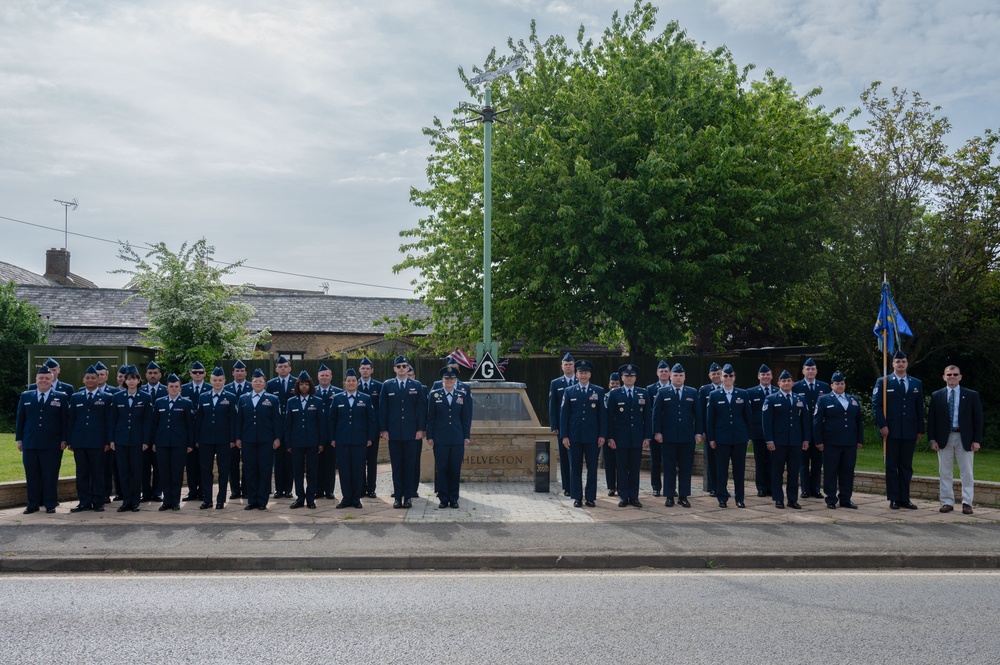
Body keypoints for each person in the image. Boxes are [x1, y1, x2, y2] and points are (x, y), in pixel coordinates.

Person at [872, 349, 924, 510]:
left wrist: (920, 430)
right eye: (897, 362)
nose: (900, 364)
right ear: (893, 364)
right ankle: (894, 498)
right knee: (891, 466)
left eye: (903, 361)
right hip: (891, 431)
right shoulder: (884, 381)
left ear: (907, 363)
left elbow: (919, 408)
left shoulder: (916, 383)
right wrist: (883, 425)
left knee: (906, 466)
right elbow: (876, 405)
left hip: (909, 430)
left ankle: (905, 498)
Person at [928, 365, 984, 515]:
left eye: (955, 374)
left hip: (964, 437)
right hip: (943, 438)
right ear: (944, 377)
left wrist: (976, 440)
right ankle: (947, 502)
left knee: (967, 472)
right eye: (949, 374)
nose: (952, 376)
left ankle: (967, 503)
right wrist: (932, 439)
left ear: (960, 377)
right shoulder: (936, 395)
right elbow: (932, 419)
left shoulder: (971, 395)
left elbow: (978, 419)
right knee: (945, 471)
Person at [15, 365, 68, 514]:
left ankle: (50, 504)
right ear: (36, 380)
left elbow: (65, 420)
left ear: (52, 380)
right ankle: (32, 504)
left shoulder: (61, 397)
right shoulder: (26, 396)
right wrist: (19, 440)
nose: (44, 381)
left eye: (47, 378)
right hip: (31, 442)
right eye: (41, 378)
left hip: (52, 443)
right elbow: (21, 419)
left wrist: (64, 439)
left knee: (50, 474)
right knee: (32, 474)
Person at [380, 355, 428, 509]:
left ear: (408, 369)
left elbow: (421, 409)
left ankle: (408, 497)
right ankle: (397, 496)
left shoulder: (417, 385)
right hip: (393, 433)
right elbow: (383, 409)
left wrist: (421, 429)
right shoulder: (387, 385)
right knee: (397, 466)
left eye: (404, 366)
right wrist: (384, 429)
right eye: (399, 366)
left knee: (409, 466)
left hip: (411, 433)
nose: (402, 368)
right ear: (394, 368)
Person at [651, 363, 700, 508]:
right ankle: (669, 495)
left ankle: (683, 496)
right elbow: (656, 414)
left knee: (685, 467)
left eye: (681, 375)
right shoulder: (663, 392)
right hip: (668, 437)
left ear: (684, 377)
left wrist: (698, 432)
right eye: (676, 375)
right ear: (670, 376)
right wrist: (657, 432)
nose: (678, 378)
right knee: (669, 467)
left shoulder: (692, 392)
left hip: (687, 437)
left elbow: (698, 414)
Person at [559, 359, 606, 508]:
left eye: (586, 373)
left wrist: (602, 435)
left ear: (590, 374)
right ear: (577, 374)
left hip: (593, 437)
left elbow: (602, 415)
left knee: (592, 468)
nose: (583, 375)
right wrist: (564, 436)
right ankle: (577, 497)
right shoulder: (569, 391)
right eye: (581, 373)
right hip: (574, 437)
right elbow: (564, 415)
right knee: (575, 468)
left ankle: (590, 497)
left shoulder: (598, 391)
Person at [813, 371, 864, 509]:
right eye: (837, 384)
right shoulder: (824, 399)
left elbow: (858, 421)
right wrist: (818, 441)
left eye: (842, 383)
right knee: (831, 471)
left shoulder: (853, 399)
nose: (840, 386)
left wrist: (859, 439)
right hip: (831, 442)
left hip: (849, 442)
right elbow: (817, 422)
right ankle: (831, 499)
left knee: (847, 470)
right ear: (831, 385)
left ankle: (846, 499)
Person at [329, 368, 377, 509]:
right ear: (344, 383)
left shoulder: (365, 398)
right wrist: (332, 438)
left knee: (358, 469)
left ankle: (356, 499)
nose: (351, 383)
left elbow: (371, 420)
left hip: (359, 440)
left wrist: (369, 438)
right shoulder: (337, 398)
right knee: (344, 470)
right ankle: (346, 498)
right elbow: (332, 419)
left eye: (353, 381)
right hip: (342, 440)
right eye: (348, 381)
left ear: (358, 383)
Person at [427, 365, 473, 509]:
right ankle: (443, 498)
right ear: (442, 379)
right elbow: (431, 418)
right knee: (442, 468)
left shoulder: (461, 395)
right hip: (440, 438)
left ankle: (453, 498)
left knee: (454, 469)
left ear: (455, 380)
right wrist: (430, 436)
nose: (449, 380)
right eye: (447, 378)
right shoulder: (435, 395)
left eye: (452, 378)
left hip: (457, 438)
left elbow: (465, 417)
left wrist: (466, 435)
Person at [67, 365, 112, 513]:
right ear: (83, 380)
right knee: (82, 473)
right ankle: (84, 501)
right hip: (79, 441)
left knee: (98, 473)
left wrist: (107, 441)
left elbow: (108, 421)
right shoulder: (75, 397)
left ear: (98, 379)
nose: (91, 380)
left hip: (98, 442)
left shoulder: (106, 397)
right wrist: (70, 440)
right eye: (88, 378)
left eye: (94, 377)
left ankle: (98, 501)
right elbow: (71, 420)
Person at [236, 368, 282, 511]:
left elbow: (277, 420)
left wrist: (277, 437)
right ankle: (252, 499)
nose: (257, 383)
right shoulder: (243, 398)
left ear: (265, 383)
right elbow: (239, 420)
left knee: (265, 469)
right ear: (251, 383)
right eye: (255, 381)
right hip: (248, 439)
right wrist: (238, 437)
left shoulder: (273, 399)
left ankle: (262, 500)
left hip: (266, 440)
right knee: (249, 469)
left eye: (260, 381)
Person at [763, 370, 810, 509]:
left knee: (794, 472)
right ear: (778, 383)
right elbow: (767, 422)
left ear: (793, 383)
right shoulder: (771, 399)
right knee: (777, 471)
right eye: (783, 381)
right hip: (778, 442)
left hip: (795, 441)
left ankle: (792, 499)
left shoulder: (800, 399)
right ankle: (778, 498)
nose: (786, 383)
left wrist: (806, 439)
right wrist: (769, 440)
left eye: (789, 381)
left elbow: (805, 421)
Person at [706, 364, 751, 508]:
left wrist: (748, 436)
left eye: (731, 376)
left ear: (734, 377)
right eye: (725, 376)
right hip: (721, 438)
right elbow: (710, 419)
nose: (728, 378)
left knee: (739, 470)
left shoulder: (743, 394)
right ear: (721, 377)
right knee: (721, 470)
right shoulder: (714, 395)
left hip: (739, 438)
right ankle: (722, 498)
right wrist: (711, 438)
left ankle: (740, 498)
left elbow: (748, 417)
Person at [605, 364, 649, 508]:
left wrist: (647, 437)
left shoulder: (643, 393)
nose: (629, 378)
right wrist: (610, 437)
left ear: (635, 378)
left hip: (637, 438)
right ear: (622, 378)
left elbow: (648, 417)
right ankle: (624, 496)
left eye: (632, 376)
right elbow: (609, 418)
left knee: (635, 468)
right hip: (620, 438)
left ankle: (634, 497)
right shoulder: (614, 394)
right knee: (622, 468)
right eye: (626, 376)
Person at [109, 366, 152, 512]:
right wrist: (112, 440)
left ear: (139, 381)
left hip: (137, 440)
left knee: (136, 471)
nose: (131, 381)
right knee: (123, 471)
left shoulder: (145, 397)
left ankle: (135, 501)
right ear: (125, 381)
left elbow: (147, 421)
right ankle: (126, 501)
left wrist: (146, 441)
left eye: (134, 378)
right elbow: (113, 420)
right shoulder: (117, 397)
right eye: (129, 379)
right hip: (121, 440)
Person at [150, 374, 195, 511]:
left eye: (176, 386)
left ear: (180, 388)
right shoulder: (159, 402)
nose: (174, 389)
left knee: (176, 473)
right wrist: (153, 442)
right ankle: (166, 501)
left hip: (179, 443)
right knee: (164, 473)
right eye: (171, 386)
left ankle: (175, 501)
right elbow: (154, 424)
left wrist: (190, 444)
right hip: (162, 443)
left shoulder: (186, 403)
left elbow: (190, 425)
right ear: (167, 388)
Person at [195, 367, 238, 510]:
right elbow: (199, 420)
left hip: (224, 439)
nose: (217, 382)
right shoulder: (203, 396)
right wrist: (197, 439)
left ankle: (221, 500)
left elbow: (233, 420)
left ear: (225, 381)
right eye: (215, 380)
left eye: (220, 380)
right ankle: (207, 499)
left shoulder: (231, 397)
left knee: (223, 470)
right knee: (205, 469)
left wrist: (232, 439)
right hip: (205, 439)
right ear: (210, 380)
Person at [285, 371, 326, 509]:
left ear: (310, 386)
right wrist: (288, 443)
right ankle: (299, 498)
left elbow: (321, 423)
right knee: (297, 471)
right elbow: (288, 424)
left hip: (312, 442)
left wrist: (321, 442)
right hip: (296, 442)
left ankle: (310, 498)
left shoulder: (317, 401)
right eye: (301, 384)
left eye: (306, 384)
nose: (304, 386)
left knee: (312, 471)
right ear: (298, 386)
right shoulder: (291, 402)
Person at [794, 358, 831, 499]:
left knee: (817, 462)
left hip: (819, 431)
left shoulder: (824, 387)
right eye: (807, 369)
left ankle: (815, 489)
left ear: (816, 371)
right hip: (803, 430)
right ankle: (804, 489)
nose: (810, 371)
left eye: (813, 369)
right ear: (803, 371)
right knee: (803, 462)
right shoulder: (797, 387)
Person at [266, 355, 297, 499]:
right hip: (277, 426)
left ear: (290, 368)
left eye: (285, 366)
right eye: (280, 366)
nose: (283, 369)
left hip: (292, 426)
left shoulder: (296, 382)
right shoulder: (271, 384)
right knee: (278, 460)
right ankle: (278, 489)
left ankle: (288, 489)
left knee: (290, 460)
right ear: (276, 368)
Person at [548, 353, 577, 497]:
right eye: (566, 364)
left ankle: (576, 485)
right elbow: (553, 406)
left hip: (578, 426)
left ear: (574, 366)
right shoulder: (556, 383)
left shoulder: (581, 380)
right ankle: (567, 486)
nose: (568, 367)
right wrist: (554, 426)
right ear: (562, 367)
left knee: (576, 458)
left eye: (570, 364)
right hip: (562, 427)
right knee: (564, 458)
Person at [181, 361, 209, 502]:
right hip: (189, 431)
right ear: (190, 374)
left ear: (204, 373)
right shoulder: (183, 389)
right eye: (194, 372)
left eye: (200, 372)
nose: (197, 374)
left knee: (204, 464)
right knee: (190, 464)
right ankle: (192, 491)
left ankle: (203, 491)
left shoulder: (210, 388)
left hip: (204, 431)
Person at [747, 364, 777, 497]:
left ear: (771, 376)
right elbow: (748, 414)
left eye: (768, 374)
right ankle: (761, 487)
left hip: (775, 432)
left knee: (773, 461)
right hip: (758, 432)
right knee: (760, 461)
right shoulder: (751, 392)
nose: (765, 377)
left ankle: (772, 487)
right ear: (758, 376)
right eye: (763, 375)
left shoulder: (777, 391)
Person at [224, 360, 251, 500]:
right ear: (233, 372)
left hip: (247, 431)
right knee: (232, 463)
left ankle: (246, 489)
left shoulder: (252, 387)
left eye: (242, 371)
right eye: (237, 370)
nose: (239, 373)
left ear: (246, 373)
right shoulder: (226, 389)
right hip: (230, 432)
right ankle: (235, 490)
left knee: (247, 462)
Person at [645, 361, 672, 497]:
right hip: (656, 430)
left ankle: (670, 487)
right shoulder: (650, 389)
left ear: (670, 373)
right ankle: (656, 486)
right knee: (655, 460)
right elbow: (649, 412)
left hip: (671, 431)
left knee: (670, 461)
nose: (664, 374)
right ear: (657, 373)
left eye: (666, 371)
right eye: (661, 371)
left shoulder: (674, 387)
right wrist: (654, 431)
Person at [314, 363, 342, 500]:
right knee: (317, 464)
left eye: (326, 375)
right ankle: (318, 490)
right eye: (322, 376)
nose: (324, 378)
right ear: (318, 377)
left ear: (331, 377)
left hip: (332, 434)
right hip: (316, 434)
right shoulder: (312, 392)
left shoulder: (338, 392)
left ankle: (329, 490)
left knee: (330, 464)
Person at [141, 360, 167, 503]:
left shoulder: (165, 390)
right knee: (143, 466)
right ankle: (145, 493)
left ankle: (157, 492)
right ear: (146, 375)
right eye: (150, 373)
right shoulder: (141, 391)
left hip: (160, 434)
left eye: (155, 373)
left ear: (160, 375)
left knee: (158, 466)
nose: (152, 375)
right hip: (144, 435)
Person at [357, 357, 383, 499]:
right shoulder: (354, 384)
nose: (365, 371)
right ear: (359, 370)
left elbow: (381, 408)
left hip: (373, 429)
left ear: (372, 370)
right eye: (363, 368)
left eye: (368, 368)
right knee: (360, 460)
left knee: (372, 461)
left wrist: (380, 428)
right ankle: (361, 488)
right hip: (359, 430)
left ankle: (371, 489)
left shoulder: (379, 386)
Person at [696, 362, 724, 496]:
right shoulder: (704, 390)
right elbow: (700, 412)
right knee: (711, 461)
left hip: (724, 431)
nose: (716, 376)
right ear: (709, 375)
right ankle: (713, 487)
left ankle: (722, 487)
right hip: (709, 431)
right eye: (714, 374)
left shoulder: (729, 388)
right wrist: (701, 431)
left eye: (719, 373)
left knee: (723, 461)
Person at [603, 371, 622, 497]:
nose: (614, 385)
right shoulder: (604, 397)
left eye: (617, 383)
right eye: (612, 383)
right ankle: (611, 487)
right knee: (609, 462)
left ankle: (621, 486)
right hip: (607, 433)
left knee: (621, 462)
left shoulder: (623, 396)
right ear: (609, 384)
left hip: (620, 434)